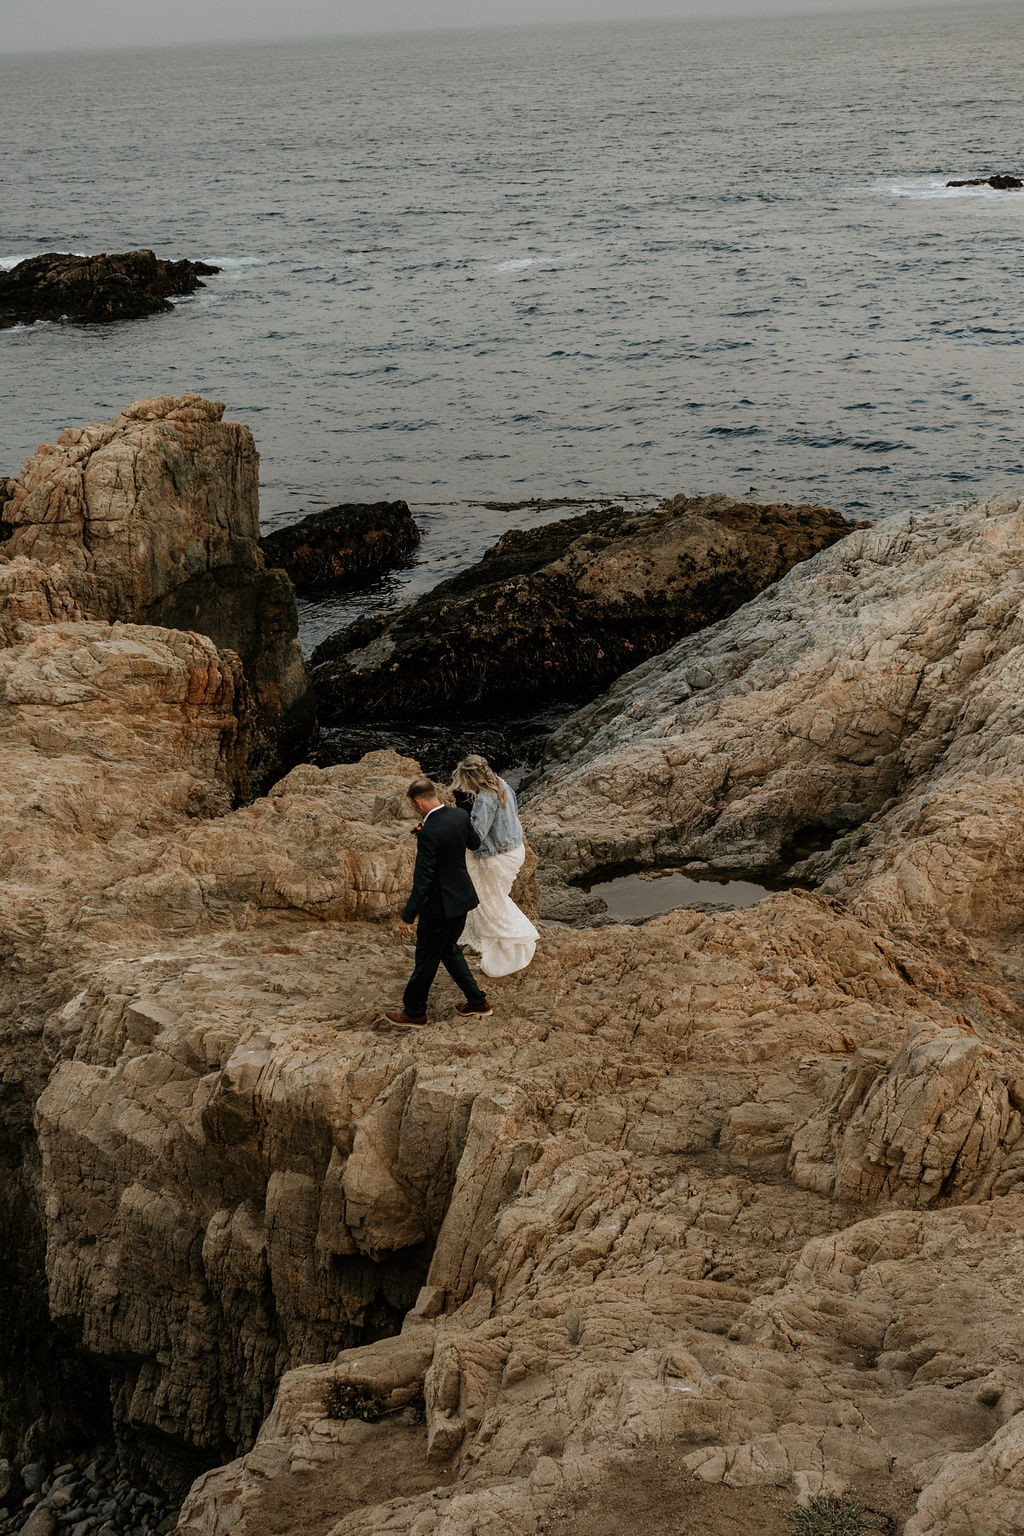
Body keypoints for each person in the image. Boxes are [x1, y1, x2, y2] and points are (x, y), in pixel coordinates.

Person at [385, 776, 493, 1027]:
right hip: (461, 900)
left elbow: (423, 881)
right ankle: (477, 1001)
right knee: (449, 950)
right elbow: (474, 843)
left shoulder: (429, 832)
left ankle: (414, 1013)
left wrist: (407, 916)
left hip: (439, 908)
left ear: (417, 803)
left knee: (425, 960)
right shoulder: (459, 815)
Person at [451, 755, 539, 977]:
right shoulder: (502, 784)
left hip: (498, 855)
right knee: (496, 900)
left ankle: (521, 941)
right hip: (515, 849)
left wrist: (458, 824)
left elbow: (476, 839)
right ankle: (504, 952)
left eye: (465, 780)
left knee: (492, 904)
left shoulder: (485, 799)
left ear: (471, 778)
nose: (465, 786)